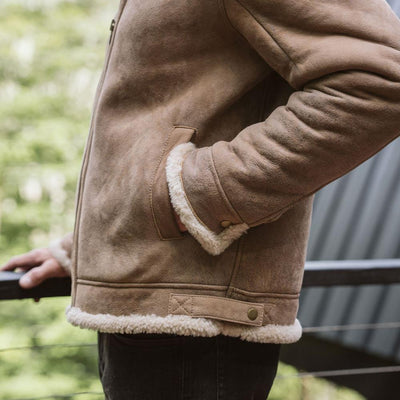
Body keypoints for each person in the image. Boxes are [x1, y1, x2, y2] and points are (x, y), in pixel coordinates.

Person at [2, 0, 400, 398]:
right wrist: (88, 250)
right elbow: (158, 127)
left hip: (197, 320)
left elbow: (382, 81)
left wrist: (203, 195)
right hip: (156, 301)